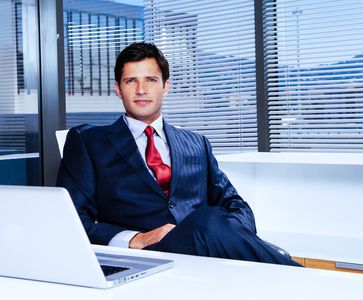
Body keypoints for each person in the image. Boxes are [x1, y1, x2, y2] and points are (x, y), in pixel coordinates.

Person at [57, 42, 300, 267]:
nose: (141, 90)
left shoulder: (197, 143)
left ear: (166, 87)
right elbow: (73, 221)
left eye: (151, 80)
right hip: (148, 256)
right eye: (131, 81)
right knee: (211, 224)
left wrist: (224, 232)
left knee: (208, 220)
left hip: (206, 249)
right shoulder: (88, 142)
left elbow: (238, 207)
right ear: (118, 89)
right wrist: (137, 239)